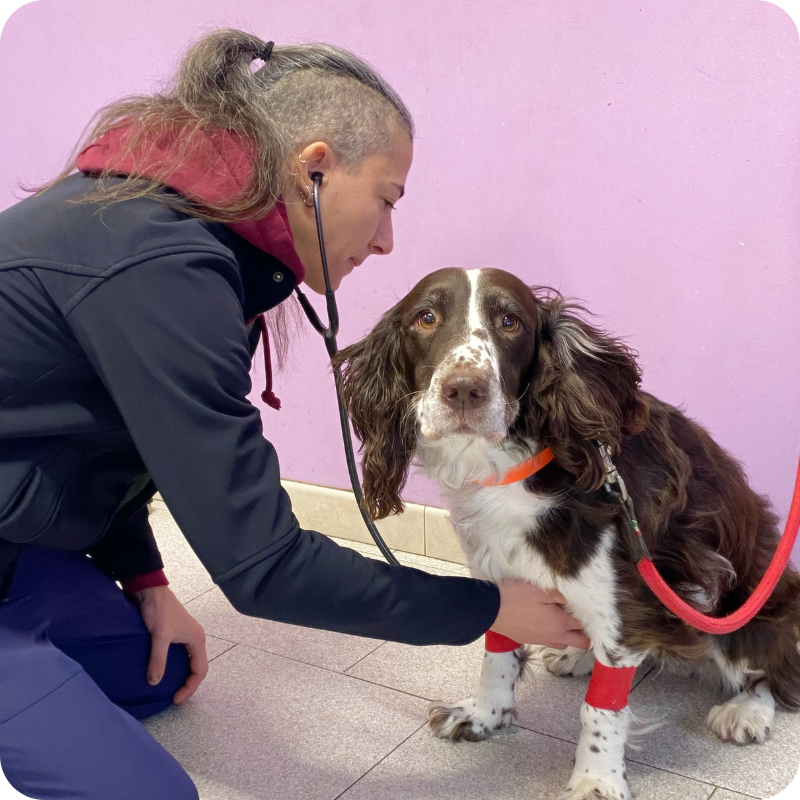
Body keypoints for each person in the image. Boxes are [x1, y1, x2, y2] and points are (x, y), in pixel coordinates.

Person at [0, 29, 589, 799]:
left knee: (164, 672)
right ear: (314, 166)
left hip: (20, 544)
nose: (385, 241)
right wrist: (490, 607)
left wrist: (145, 577)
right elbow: (263, 568)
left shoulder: (192, 239)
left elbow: (107, 438)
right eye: (386, 200)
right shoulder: (157, 263)